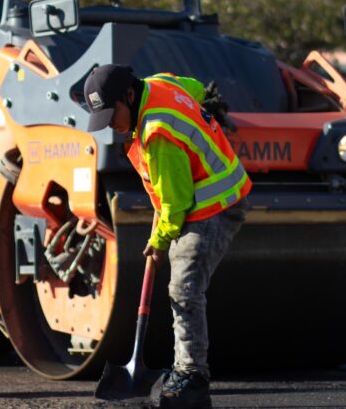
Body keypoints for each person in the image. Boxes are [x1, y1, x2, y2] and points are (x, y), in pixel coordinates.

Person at [84, 65, 251, 409]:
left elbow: (176, 204)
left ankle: (192, 377)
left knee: (183, 290)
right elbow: (196, 88)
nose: (111, 124)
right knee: (182, 285)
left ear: (129, 95)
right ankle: (186, 371)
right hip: (210, 194)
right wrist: (204, 108)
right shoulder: (159, 83)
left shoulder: (157, 131)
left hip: (212, 205)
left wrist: (159, 242)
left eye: (112, 114)